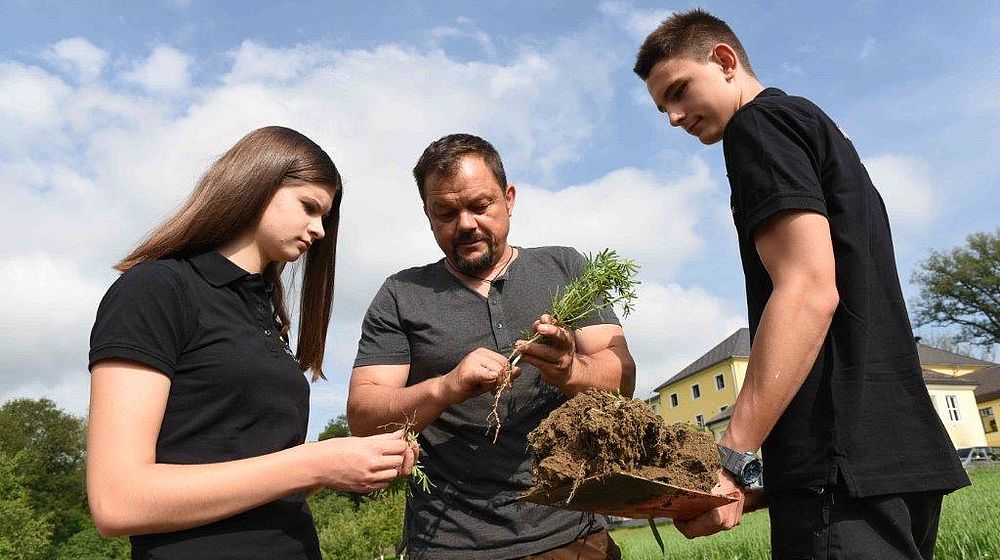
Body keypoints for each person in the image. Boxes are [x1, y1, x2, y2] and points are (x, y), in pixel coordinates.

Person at [633, 9, 970, 559]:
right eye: (661, 107)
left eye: (677, 91)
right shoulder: (810, 123)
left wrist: (732, 458)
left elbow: (809, 291)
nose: (672, 117)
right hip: (895, 461)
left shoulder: (756, 127)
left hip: (840, 478)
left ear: (723, 60)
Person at [87, 126, 417, 560]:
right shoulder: (157, 289)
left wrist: (347, 465)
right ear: (257, 183)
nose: (318, 229)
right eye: (309, 207)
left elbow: (256, 476)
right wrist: (315, 462)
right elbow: (118, 500)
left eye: (325, 217)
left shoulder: (264, 315)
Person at [347, 133, 636, 560]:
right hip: (450, 544)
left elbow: (622, 380)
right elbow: (364, 418)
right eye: (446, 212)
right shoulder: (400, 295)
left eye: (480, 206)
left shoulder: (566, 267)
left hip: (573, 533)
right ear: (428, 216)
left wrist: (569, 369)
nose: (465, 224)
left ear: (509, 198)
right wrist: (445, 387)